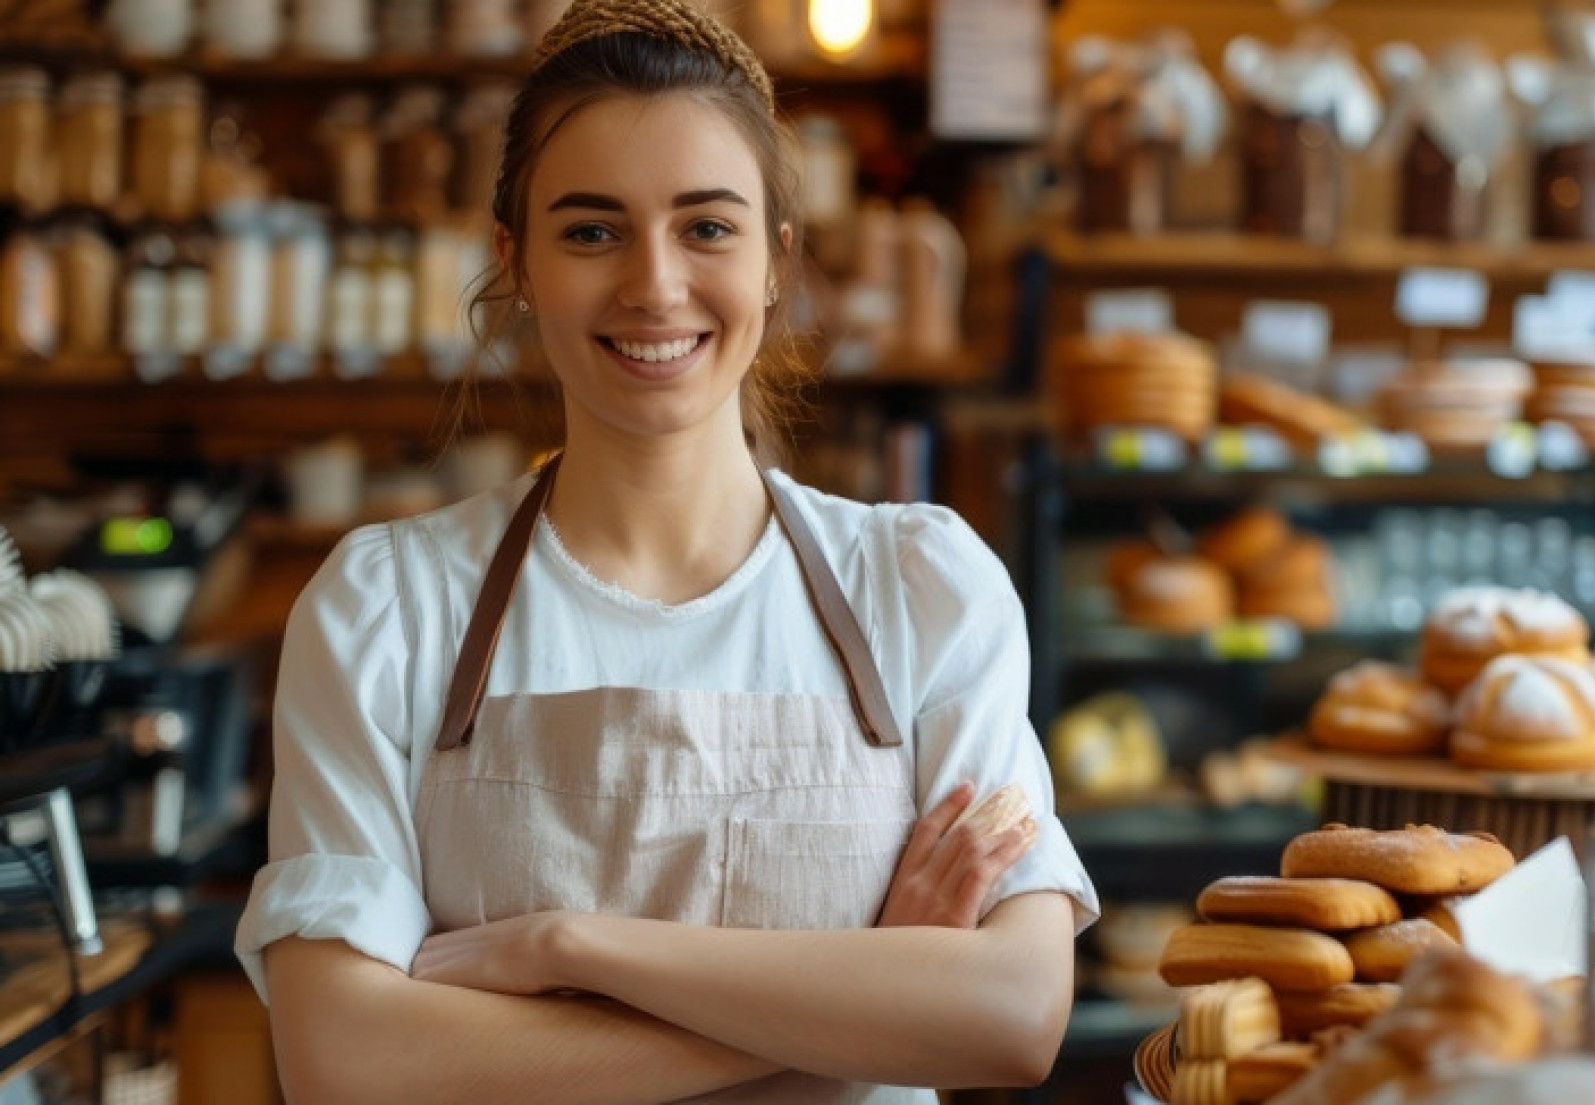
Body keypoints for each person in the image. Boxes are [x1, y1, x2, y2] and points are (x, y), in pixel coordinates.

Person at [233, 2, 1100, 1102]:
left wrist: (570, 947)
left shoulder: (921, 589)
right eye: (591, 232)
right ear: (515, 261)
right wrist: (869, 988)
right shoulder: (391, 608)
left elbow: (1012, 1014)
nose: (653, 285)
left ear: (778, 259)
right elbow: (345, 1061)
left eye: (707, 228)